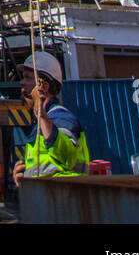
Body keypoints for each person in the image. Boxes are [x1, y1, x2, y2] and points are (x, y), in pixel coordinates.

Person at [12, 51, 89, 184]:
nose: (22, 82)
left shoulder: (61, 118)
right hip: (47, 199)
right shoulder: (42, 122)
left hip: (64, 198)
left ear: (43, 87)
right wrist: (24, 178)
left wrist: (40, 113)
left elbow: (67, 157)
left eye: (27, 77)